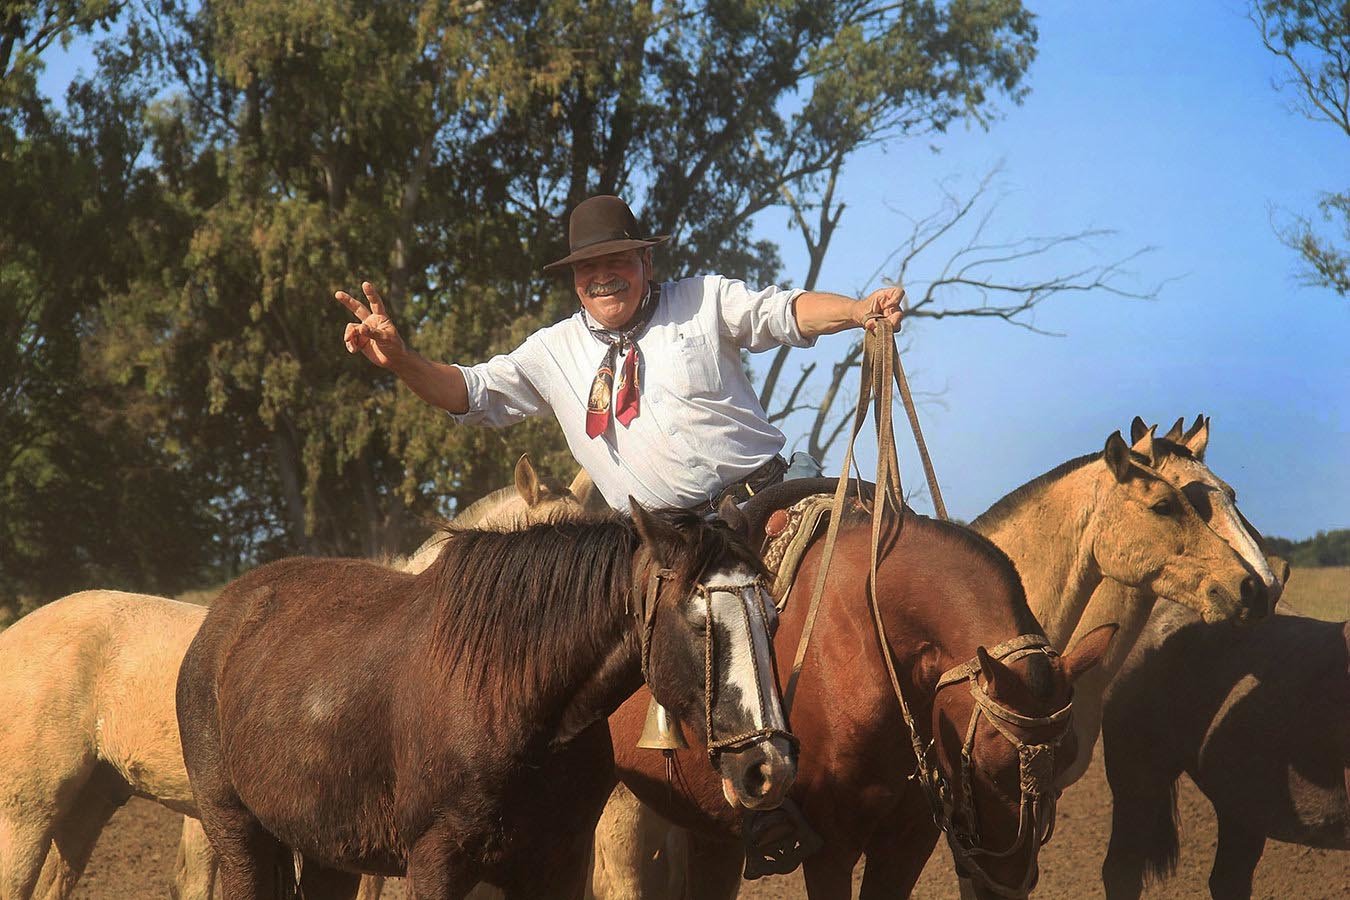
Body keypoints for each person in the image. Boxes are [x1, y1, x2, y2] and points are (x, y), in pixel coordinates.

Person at [333, 195, 903, 512]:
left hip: (772, 503)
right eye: (589, 267)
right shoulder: (552, 351)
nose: (603, 277)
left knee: (879, 567)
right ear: (575, 279)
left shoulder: (704, 299)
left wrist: (859, 311)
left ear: (646, 263)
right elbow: (469, 393)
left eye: (618, 262)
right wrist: (402, 359)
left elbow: (786, 312)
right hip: (667, 550)